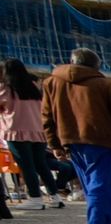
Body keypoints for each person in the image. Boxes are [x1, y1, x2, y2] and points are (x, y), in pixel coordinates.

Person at [39, 48, 111, 224]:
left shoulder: (52, 83)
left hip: (72, 141)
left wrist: (55, 144)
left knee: (91, 186)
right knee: (104, 185)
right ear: (96, 66)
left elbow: (46, 117)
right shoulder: (103, 84)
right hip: (102, 140)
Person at [0, 58, 66, 209]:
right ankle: (55, 196)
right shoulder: (33, 89)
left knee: (26, 165)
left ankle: (35, 198)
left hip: (16, 131)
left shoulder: (7, 88)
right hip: (38, 131)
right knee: (41, 164)